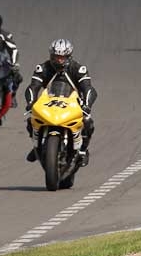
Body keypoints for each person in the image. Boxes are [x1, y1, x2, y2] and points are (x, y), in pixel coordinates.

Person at [24, 38, 97, 167]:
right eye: (56, 57)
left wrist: (87, 105)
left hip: (72, 104)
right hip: (49, 102)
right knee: (31, 119)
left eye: (62, 57)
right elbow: (33, 87)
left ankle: (83, 150)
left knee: (87, 121)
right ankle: (36, 146)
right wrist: (31, 102)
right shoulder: (43, 68)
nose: (59, 60)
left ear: (69, 57)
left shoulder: (78, 69)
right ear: (51, 56)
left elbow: (89, 89)